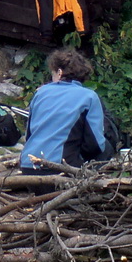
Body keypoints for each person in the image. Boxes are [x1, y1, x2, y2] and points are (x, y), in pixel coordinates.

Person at [20, 48, 107, 177]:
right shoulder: (89, 97)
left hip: (28, 166)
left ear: (59, 72)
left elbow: (29, 135)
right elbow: (95, 145)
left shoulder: (40, 93)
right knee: (107, 147)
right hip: (60, 169)